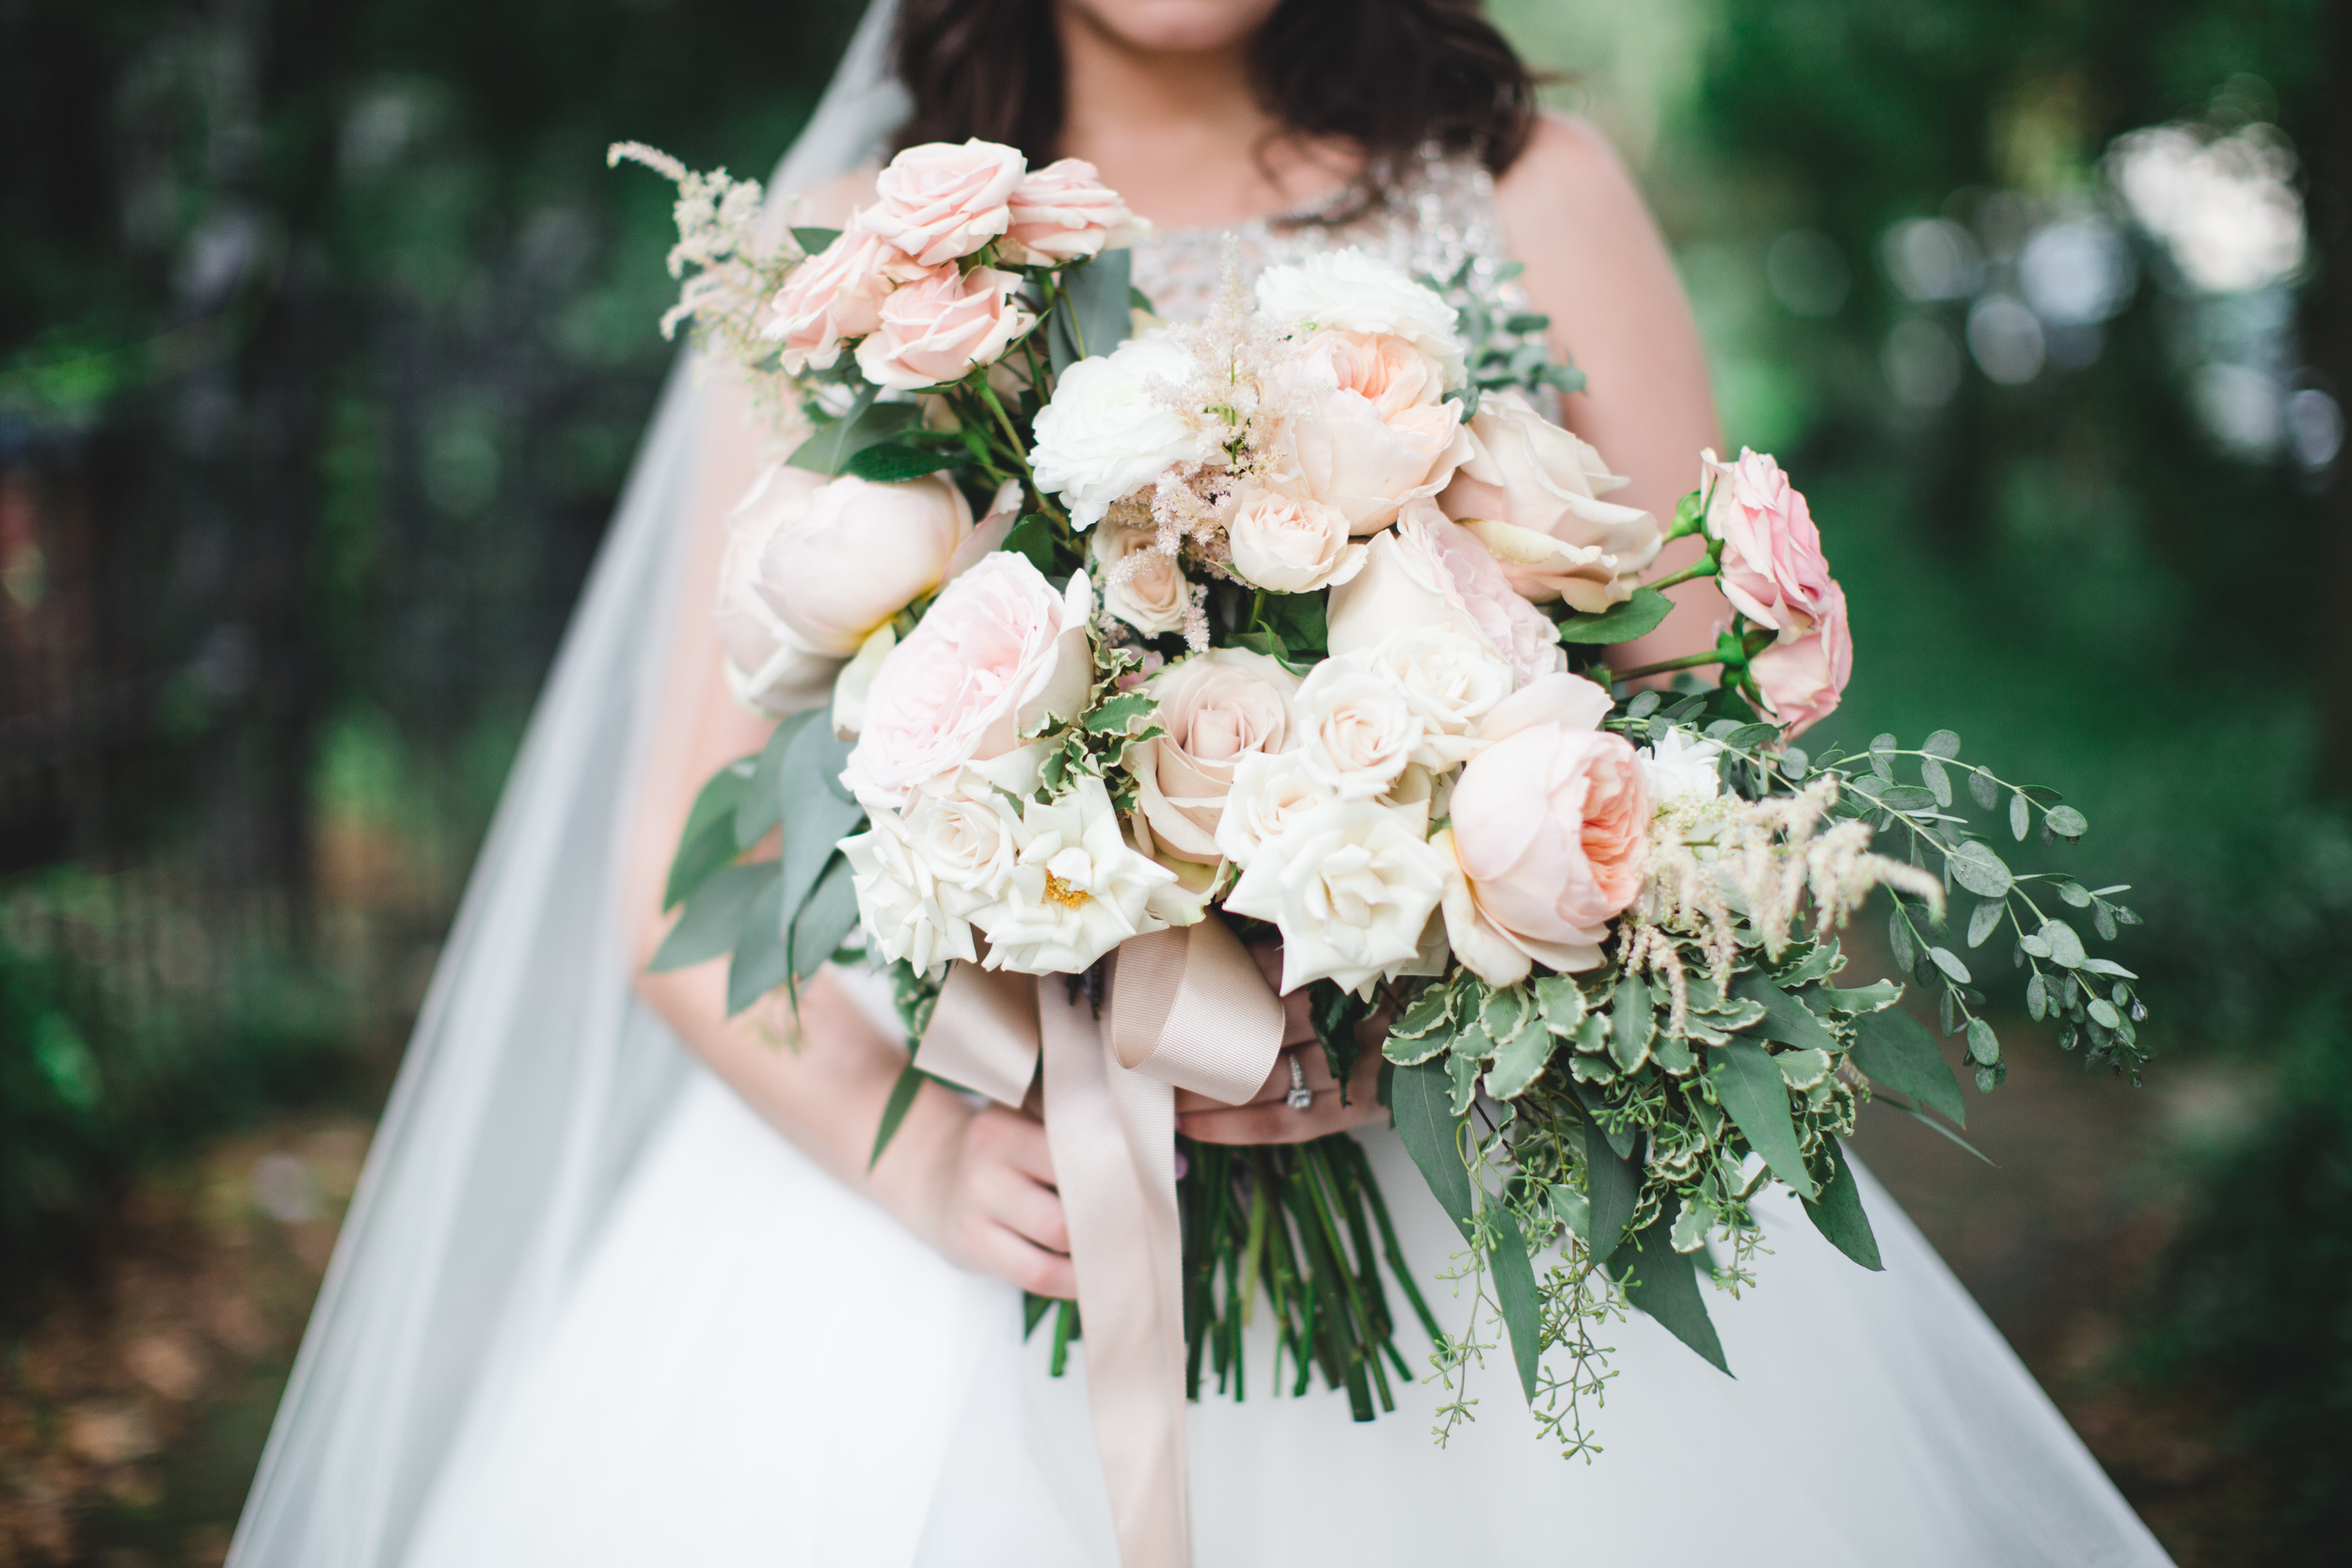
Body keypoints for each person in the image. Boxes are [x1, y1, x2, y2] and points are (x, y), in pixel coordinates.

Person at [230, 4, 2177, 1565]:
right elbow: (675, 874)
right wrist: (922, 1158)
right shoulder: (840, 263)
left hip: (1455, 1221)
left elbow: (1725, 779)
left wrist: (1438, 946)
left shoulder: (1524, 193)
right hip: (964, 1247)